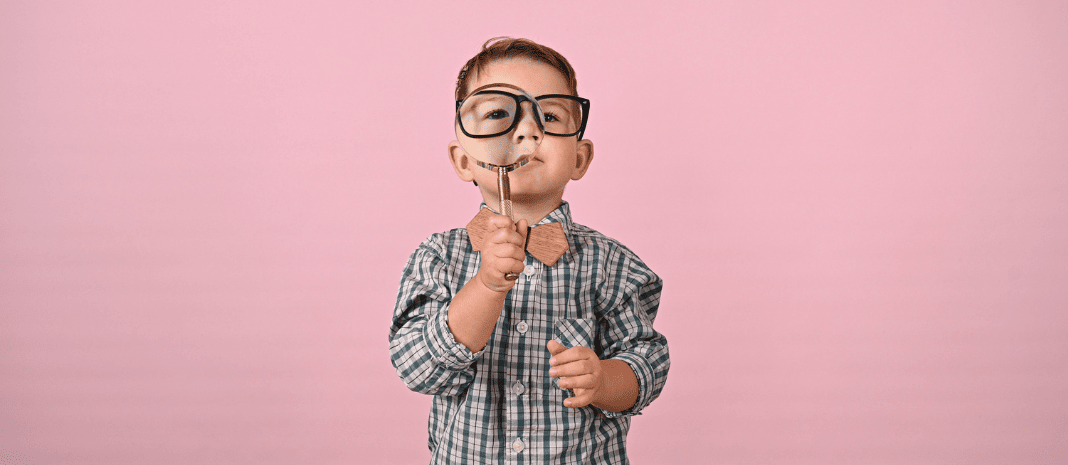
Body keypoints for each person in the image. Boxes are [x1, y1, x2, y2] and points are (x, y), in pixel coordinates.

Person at [389, 37, 670, 464]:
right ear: (464, 160)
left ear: (580, 157)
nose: (527, 131)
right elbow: (416, 367)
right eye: (499, 114)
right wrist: (484, 286)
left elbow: (647, 364)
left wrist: (604, 379)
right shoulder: (439, 259)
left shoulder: (613, 265)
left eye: (550, 115)